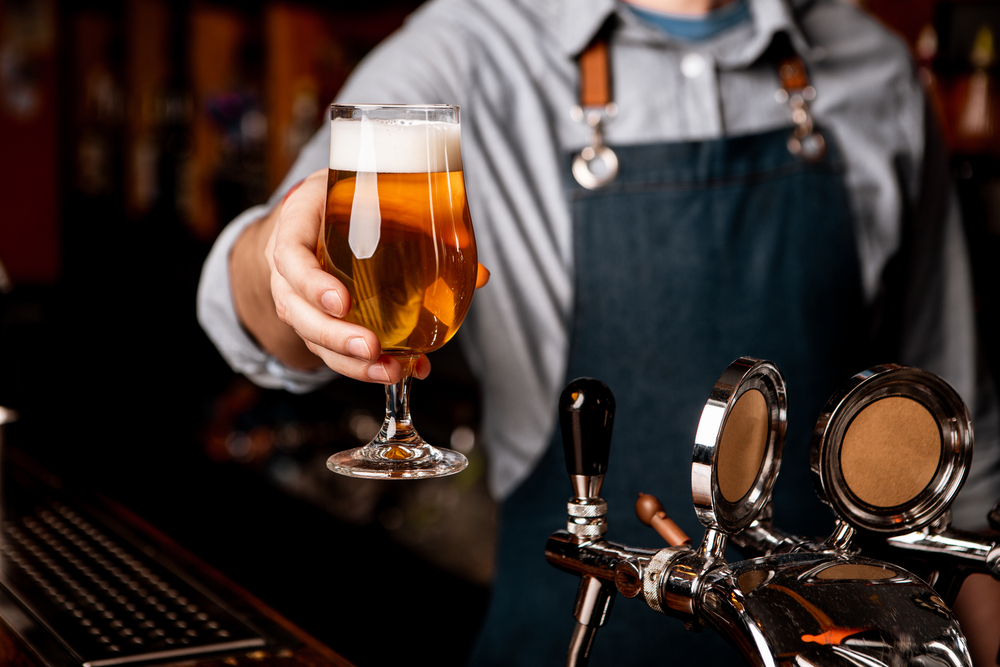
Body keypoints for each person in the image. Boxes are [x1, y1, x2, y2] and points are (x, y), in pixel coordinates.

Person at [197, 0, 1000, 664]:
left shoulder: (876, 68)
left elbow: (960, 440)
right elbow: (248, 301)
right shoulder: (470, 46)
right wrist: (278, 263)